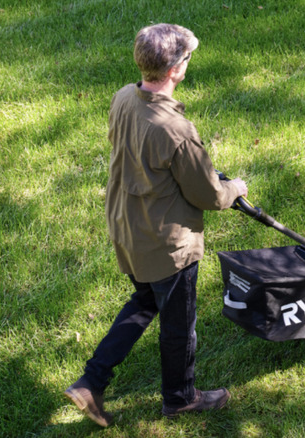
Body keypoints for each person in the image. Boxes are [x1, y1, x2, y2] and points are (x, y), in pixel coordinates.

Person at [63, 23, 247, 427]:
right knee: (179, 325)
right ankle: (180, 398)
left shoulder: (123, 98)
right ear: (176, 70)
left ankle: (91, 381)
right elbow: (209, 197)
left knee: (145, 301)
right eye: (188, 58)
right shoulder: (177, 130)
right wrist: (236, 187)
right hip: (167, 245)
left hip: (129, 230)